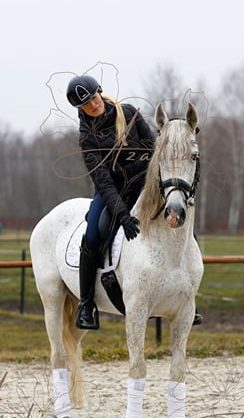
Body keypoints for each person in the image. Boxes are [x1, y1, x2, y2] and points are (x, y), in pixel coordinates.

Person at [67, 75, 203, 330]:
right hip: (111, 192)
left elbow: (154, 150)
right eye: (86, 104)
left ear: (100, 93)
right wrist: (122, 215)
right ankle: (86, 303)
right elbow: (104, 181)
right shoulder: (87, 137)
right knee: (93, 234)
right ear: (80, 109)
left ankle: (188, 295)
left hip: (145, 184)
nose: (93, 105)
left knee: (181, 224)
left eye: (94, 98)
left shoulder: (128, 113)